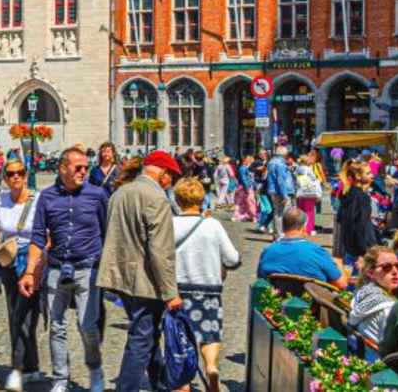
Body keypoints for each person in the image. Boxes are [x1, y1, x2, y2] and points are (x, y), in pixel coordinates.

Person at [21, 146, 110, 392]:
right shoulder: (47, 197)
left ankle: (95, 371)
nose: (84, 172)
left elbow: (107, 230)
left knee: (87, 326)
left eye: (86, 168)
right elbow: (38, 236)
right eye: (78, 167)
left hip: (87, 269)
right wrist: (30, 272)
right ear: (62, 169)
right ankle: (60, 379)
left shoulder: (98, 195)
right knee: (56, 326)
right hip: (57, 268)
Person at [97, 150, 181, 392]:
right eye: (171, 178)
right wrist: (170, 292)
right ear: (163, 173)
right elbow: (160, 250)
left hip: (120, 275)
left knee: (148, 334)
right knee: (141, 338)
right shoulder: (156, 197)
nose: (171, 183)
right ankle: (127, 387)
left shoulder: (120, 192)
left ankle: (161, 384)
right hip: (145, 280)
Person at [0, 157, 41, 392]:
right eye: (11, 173)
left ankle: (18, 369)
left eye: (20, 173)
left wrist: (38, 267)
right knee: (16, 315)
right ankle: (29, 368)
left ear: (26, 175)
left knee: (25, 317)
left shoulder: (37, 200)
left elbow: (47, 235)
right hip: (9, 263)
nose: (16, 177)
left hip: (33, 263)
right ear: (4, 178)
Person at [172, 175, 241, 391]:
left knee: (180, 337)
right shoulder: (213, 225)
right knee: (210, 333)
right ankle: (211, 366)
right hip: (209, 290)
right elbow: (232, 259)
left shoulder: (170, 224)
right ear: (202, 199)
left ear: (178, 200)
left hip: (178, 290)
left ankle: (184, 383)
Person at [257, 208, 348, 289]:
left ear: (283, 227)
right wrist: (339, 263)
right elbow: (341, 284)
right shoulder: (316, 251)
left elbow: (261, 280)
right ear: (303, 228)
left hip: (276, 302)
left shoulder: (268, 251)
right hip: (312, 305)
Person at [347, 246, 398, 346]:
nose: (395, 271)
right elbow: (392, 347)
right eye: (387, 267)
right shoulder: (388, 308)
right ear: (370, 272)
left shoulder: (362, 292)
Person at [335, 162, 378, 271]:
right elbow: (362, 226)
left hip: (349, 248)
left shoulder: (347, 194)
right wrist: (364, 251)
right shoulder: (362, 197)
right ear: (358, 176)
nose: (372, 175)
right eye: (368, 173)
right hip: (360, 251)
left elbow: (340, 219)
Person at [266, 146, 296, 241]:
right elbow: (281, 180)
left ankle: (276, 234)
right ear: (284, 154)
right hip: (280, 191)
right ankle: (280, 234)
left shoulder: (271, 162)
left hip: (272, 190)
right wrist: (285, 195)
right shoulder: (280, 164)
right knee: (282, 213)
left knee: (276, 213)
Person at [295, 152, 325, 234]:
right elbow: (314, 179)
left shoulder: (297, 169)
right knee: (309, 211)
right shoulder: (308, 169)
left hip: (300, 193)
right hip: (309, 193)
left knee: (300, 211)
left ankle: (299, 229)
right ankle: (308, 229)